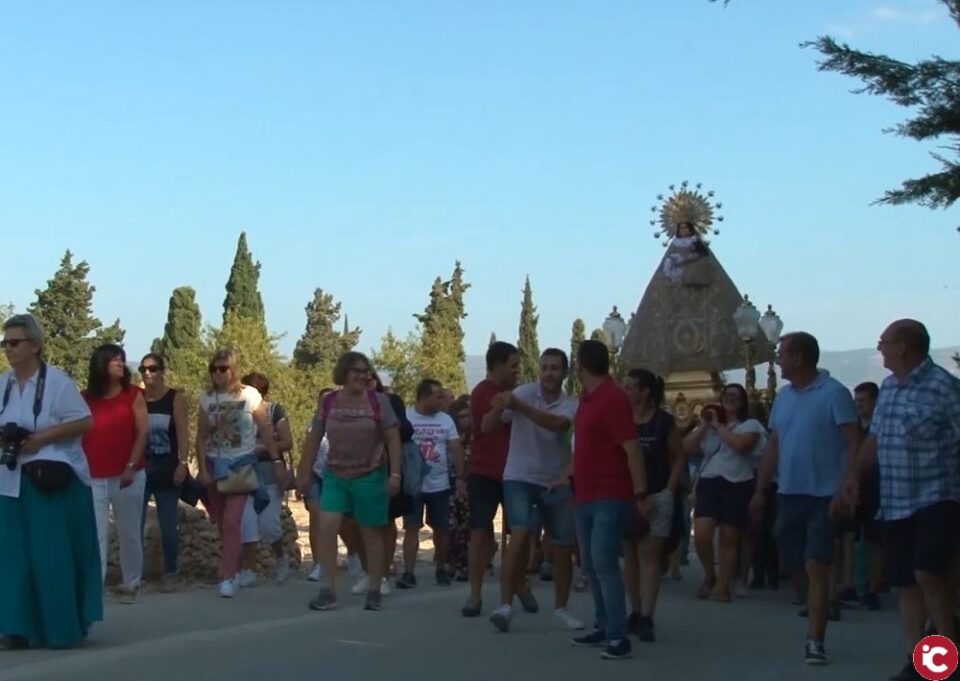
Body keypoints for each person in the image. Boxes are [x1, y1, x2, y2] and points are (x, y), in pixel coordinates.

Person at [845, 320, 960, 681]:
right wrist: (853, 478)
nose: (879, 348)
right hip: (895, 501)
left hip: (936, 496)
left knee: (930, 573)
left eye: (884, 342)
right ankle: (920, 661)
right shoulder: (889, 388)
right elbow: (874, 440)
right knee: (905, 582)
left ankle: (949, 658)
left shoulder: (945, 388)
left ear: (904, 347)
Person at [750, 332, 861, 666]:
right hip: (789, 493)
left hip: (825, 494)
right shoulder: (783, 397)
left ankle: (815, 639)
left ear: (798, 358)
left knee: (816, 562)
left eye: (782, 354)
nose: (778, 359)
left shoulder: (834, 394)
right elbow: (774, 445)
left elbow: (854, 441)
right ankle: (819, 600)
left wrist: (847, 484)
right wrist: (760, 489)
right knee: (791, 557)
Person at [0, 314, 102, 650]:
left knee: (51, 558)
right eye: (5, 342)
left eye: (14, 342)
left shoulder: (57, 382)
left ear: (35, 345)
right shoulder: (4, 384)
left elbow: (84, 421)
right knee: (12, 559)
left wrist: (42, 438)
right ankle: (15, 628)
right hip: (10, 482)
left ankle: (60, 627)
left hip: (50, 481)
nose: (8, 349)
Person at [298, 352, 402, 612]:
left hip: (369, 475)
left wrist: (395, 474)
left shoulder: (379, 402)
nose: (362, 375)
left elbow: (393, 438)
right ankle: (327, 590)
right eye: (356, 370)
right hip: (335, 474)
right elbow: (314, 437)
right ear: (343, 373)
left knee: (370, 531)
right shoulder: (329, 401)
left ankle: (375, 588)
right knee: (327, 525)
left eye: (366, 370)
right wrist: (304, 472)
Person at [488, 349, 583, 633]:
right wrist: (497, 407)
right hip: (519, 475)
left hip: (555, 480)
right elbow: (491, 425)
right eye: (544, 367)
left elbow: (557, 426)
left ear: (565, 372)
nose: (549, 373)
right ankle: (505, 606)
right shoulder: (523, 392)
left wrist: (518, 406)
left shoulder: (571, 405)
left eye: (555, 368)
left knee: (563, 545)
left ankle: (561, 608)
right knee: (519, 534)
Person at [569, 340, 648, 661]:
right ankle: (603, 623)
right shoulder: (587, 400)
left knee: (603, 563)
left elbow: (631, 448)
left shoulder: (612, 399)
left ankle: (618, 635)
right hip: (584, 494)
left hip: (609, 494)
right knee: (590, 564)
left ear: (581, 365)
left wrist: (640, 493)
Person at [196, 349, 283, 599]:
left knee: (233, 521)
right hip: (215, 464)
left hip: (241, 465)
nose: (218, 373)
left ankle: (228, 576)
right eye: (214, 368)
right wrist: (201, 468)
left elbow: (265, 430)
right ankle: (232, 567)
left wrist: (276, 459)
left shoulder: (250, 395)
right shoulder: (206, 399)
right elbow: (200, 437)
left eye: (223, 368)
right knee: (224, 524)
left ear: (233, 369)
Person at [684, 383, 766, 604]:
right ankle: (710, 574)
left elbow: (741, 446)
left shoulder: (751, 425)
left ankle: (723, 585)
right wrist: (704, 425)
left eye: (736, 397)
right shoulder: (709, 427)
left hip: (738, 482)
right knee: (702, 534)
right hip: (710, 480)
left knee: (730, 537)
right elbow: (688, 446)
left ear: (742, 402)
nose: (730, 399)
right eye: (727, 395)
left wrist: (719, 427)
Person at [82, 343, 148, 603]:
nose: (121, 364)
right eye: (115, 360)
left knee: (129, 529)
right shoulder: (85, 398)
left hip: (128, 474)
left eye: (122, 359)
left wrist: (131, 466)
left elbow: (142, 432)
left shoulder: (134, 394)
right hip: (93, 474)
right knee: (96, 533)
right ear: (102, 365)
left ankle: (131, 582)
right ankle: (94, 587)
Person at [623, 369, 685, 641]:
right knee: (630, 555)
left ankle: (648, 615)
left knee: (650, 554)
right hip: (626, 495)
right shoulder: (622, 420)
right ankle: (634, 610)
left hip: (658, 494)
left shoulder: (663, 422)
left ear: (645, 392)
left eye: (630, 387)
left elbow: (680, 455)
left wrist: (670, 490)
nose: (626, 392)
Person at [463, 341, 522, 617]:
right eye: (512, 366)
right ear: (497, 365)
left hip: (515, 472)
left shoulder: (518, 394)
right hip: (484, 472)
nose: (517, 371)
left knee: (521, 534)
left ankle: (519, 584)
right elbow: (486, 426)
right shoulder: (482, 393)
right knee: (480, 533)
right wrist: (501, 406)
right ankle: (475, 595)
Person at [398, 379, 465, 588]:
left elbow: (456, 448)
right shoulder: (406, 417)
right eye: (437, 397)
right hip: (413, 485)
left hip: (440, 484)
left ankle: (441, 569)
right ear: (424, 396)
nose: (442, 401)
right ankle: (408, 572)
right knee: (411, 528)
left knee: (441, 529)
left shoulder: (445, 420)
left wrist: (461, 478)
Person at [236, 372, 295, 587]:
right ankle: (248, 569)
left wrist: (262, 447)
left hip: (269, 473)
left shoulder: (274, 411)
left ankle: (281, 557)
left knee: (269, 524)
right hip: (244, 473)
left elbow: (287, 442)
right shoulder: (237, 412)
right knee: (247, 523)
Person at [139, 353, 190, 593]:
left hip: (168, 467)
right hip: (141, 467)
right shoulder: (137, 398)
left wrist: (183, 463)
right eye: (143, 369)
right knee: (134, 523)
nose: (148, 373)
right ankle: (135, 574)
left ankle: (171, 571)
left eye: (153, 368)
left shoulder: (174, 398)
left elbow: (182, 432)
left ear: (162, 371)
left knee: (168, 524)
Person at [852, 381, 883, 610]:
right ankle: (853, 584)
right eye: (857, 400)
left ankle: (873, 587)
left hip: (876, 485)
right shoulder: (853, 427)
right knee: (851, 537)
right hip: (855, 484)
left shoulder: (880, 428)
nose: (858, 405)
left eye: (863, 401)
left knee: (874, 540)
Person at [303, 388, 333, 583]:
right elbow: (308, 449)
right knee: (315, 517)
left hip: (335, 474)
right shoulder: (313, 425)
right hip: (315, 474)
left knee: (334, 520)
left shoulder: (342, 423)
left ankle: (354, 554)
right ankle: (318, 563)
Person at [447, 396, 473, 581]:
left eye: (468, 416)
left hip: (472, 487)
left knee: (468, 529)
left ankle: (467, 566)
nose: (465, 420)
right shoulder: (450, 438)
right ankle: (454, 563)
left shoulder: (476, 439)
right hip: (450, 486)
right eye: (461, 416)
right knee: (452, 528)